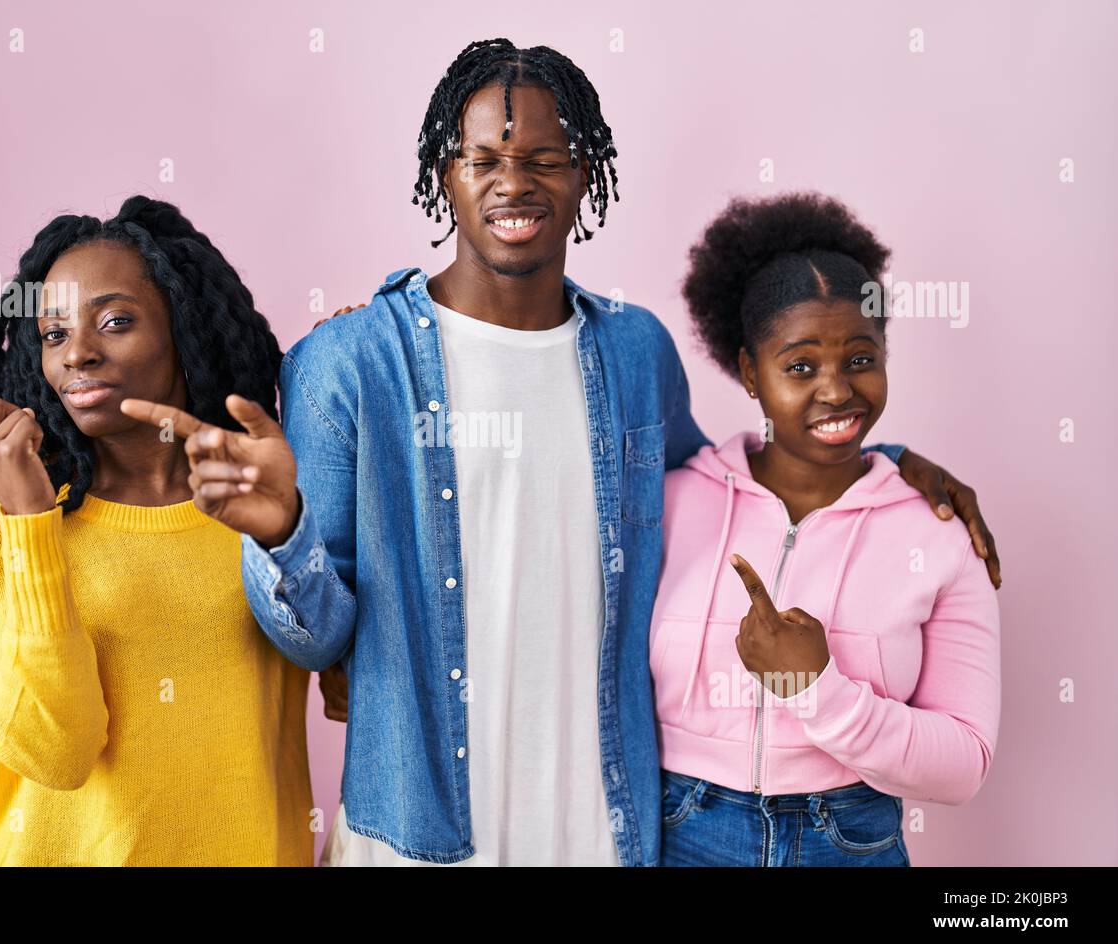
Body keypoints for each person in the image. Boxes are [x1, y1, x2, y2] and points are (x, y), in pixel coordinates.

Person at [123, 40, 998, 866]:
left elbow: (727, 490)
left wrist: (889, 465)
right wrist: (283, 534)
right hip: (419, 830)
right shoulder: (348, 368)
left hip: (605, 825)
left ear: (586, 174)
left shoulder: (635, 354)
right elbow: (317, 645)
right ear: (446, 177)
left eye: (546, 157)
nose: (516, 182)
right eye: (485, 159)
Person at [0, 196, 314, 865]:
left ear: (185, 333)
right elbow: (57, 752)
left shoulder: (263, 504)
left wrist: (356, 385)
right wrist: (31, 526)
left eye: (115, 322)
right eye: (53, 335)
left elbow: (350, 685)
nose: (78, 354)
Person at [653, 192, 1001, 866]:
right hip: (682, 833)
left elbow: (964, 764)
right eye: (801, 367)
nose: (837, 390)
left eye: (861, 359)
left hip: (850, 836)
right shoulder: (667, 502)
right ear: (751, 372)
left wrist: (817, 690)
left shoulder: (938, 529)